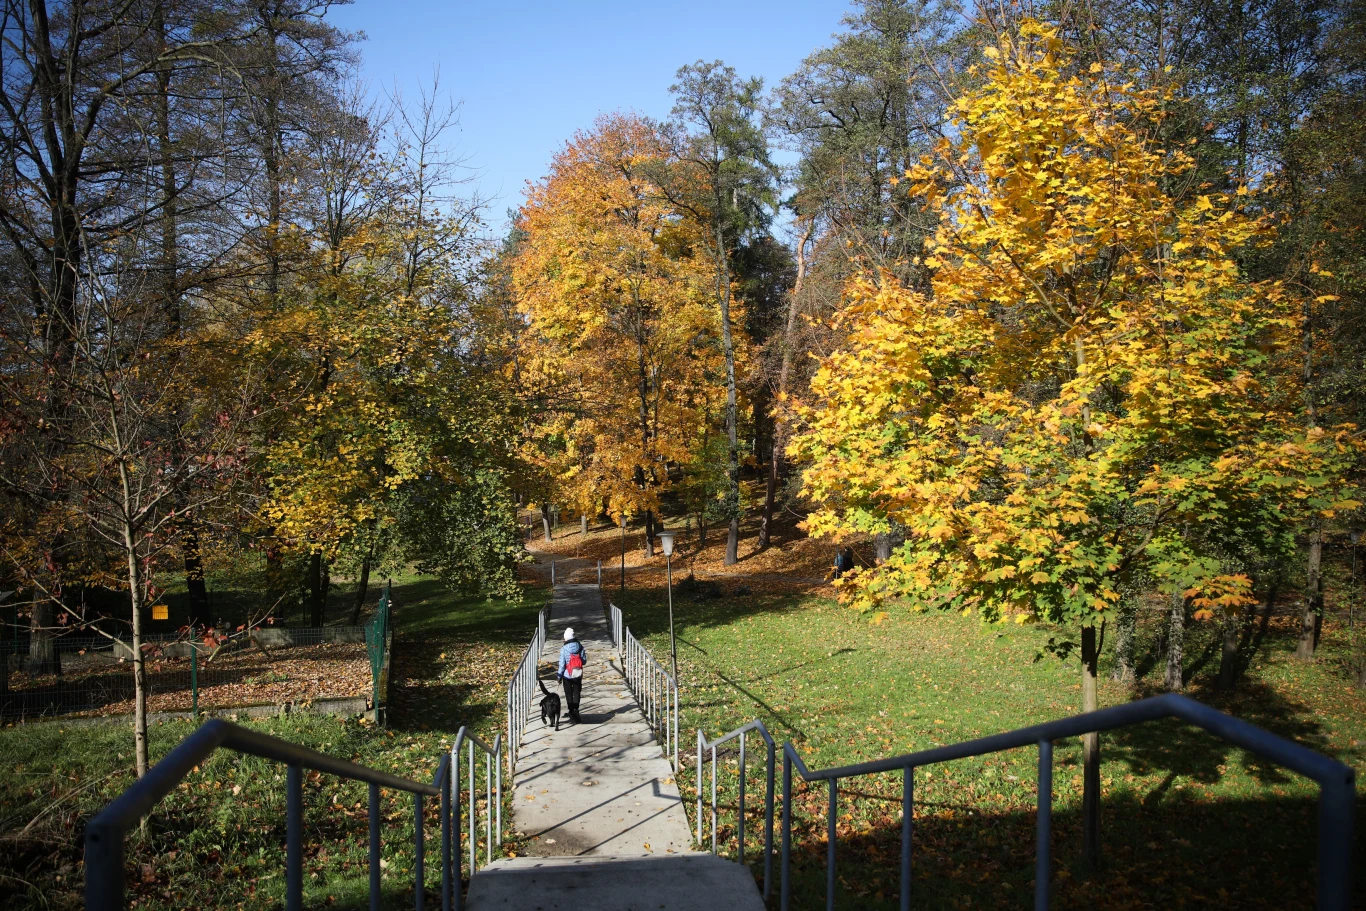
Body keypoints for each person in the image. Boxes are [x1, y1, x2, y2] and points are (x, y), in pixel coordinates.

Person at [557, 627, 588, 722]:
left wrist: (559, 676)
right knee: (576, 692)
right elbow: (584, 661)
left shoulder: (564, 649)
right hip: (578, 674)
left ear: (566, 638)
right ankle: (576, 710)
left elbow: (562, 664)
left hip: (567, 675)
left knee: (568, 693)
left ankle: (571, 711)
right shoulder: (580, 646)